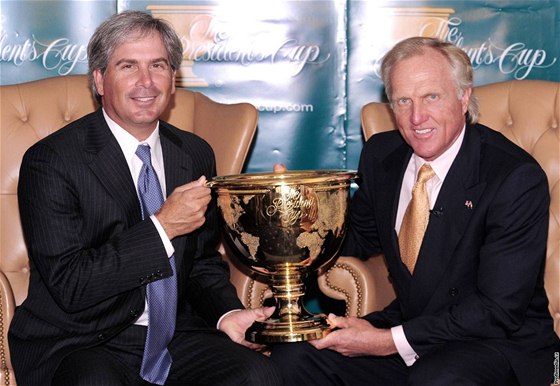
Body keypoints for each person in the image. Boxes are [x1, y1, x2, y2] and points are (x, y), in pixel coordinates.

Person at [9, 11, 283, 386]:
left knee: (258, 376)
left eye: (158, 65)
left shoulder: (194, 153)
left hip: (174, 334)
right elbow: (72, 286)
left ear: (173, 79)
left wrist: (225, 314)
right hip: (82, 339)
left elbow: (201, 260)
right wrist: (162, 227)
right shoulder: (51, 161)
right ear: (100, 80)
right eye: (128, 66)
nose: (146, 81)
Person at [271, 36, 559, 386]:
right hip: (414, 331)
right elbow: (356, 238)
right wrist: (294, 215)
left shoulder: (512, 177)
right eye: (403, 101)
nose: (416, 116)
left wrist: (387, 341)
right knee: (295, 356)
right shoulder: (382, 155)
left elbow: (497, 311)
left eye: (431, 97)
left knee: (435, 378)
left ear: (464, 97)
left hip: (501, 346)